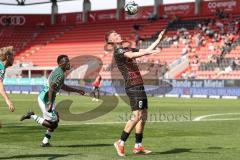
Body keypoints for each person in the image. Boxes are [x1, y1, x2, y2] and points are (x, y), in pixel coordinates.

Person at [105, 29, 165, 156]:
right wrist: (150, 52)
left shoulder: (126, 49)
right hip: (132, 86)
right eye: (115, 35)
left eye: (117, 33)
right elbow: (132, 56)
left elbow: (143, 51)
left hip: (139, 85)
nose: (118, 34)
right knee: (136, 115)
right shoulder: (119, 51)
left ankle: (138, 146)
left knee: (143, 115)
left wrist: (159, 40)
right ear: (111, 41)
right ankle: (120, 142)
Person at [20, 55, 85, 147]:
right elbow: (51, 88)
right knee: (53, 125)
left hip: (48, 99)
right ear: (61, 63)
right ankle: (32, 116)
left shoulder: (59, 71)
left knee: (55, 121)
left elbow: (62, 86)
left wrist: (77, 90)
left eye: (68, 61)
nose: (68, 63)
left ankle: (45, 142)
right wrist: (50, 103)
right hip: (46, 100)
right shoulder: (60, 74)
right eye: (66, 61)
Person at [0, 46, 15, 112]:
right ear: (8, 57)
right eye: (12, 56)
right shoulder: (1, 67)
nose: (14, 58)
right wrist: (7, 100)